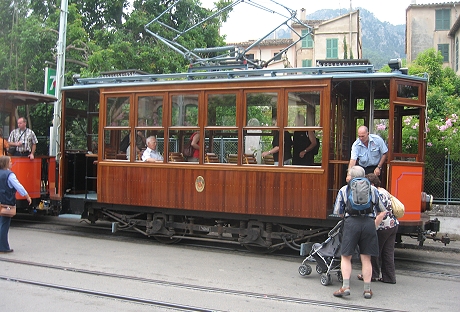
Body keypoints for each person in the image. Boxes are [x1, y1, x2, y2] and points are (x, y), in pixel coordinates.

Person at [332, 166, 385, 299]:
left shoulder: (345, 189)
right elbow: (381, 209)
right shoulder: (372, 189)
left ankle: (345, 286)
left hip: (351, 223)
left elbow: (338, 211)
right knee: (366, 258)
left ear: (351, 176)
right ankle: (367, 290)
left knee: (346, 256)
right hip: (368, 224)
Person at [362, 173, 399, 284]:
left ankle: (373, 275)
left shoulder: (377, 194)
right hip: (392, 225)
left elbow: (381, 213)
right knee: (388, 252)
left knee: (374, 251)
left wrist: (373, 227)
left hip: (382, 227)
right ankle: (389, 277)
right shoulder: (384, 191)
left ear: (372, 184)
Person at [0, 156, 32, 253]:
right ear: (5, 163)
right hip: (6, 202)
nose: (11, 163)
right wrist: (27, 196)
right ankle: (3, 247)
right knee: (4, 225)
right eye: (9, 161)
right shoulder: (9, 175)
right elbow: (18, 186)